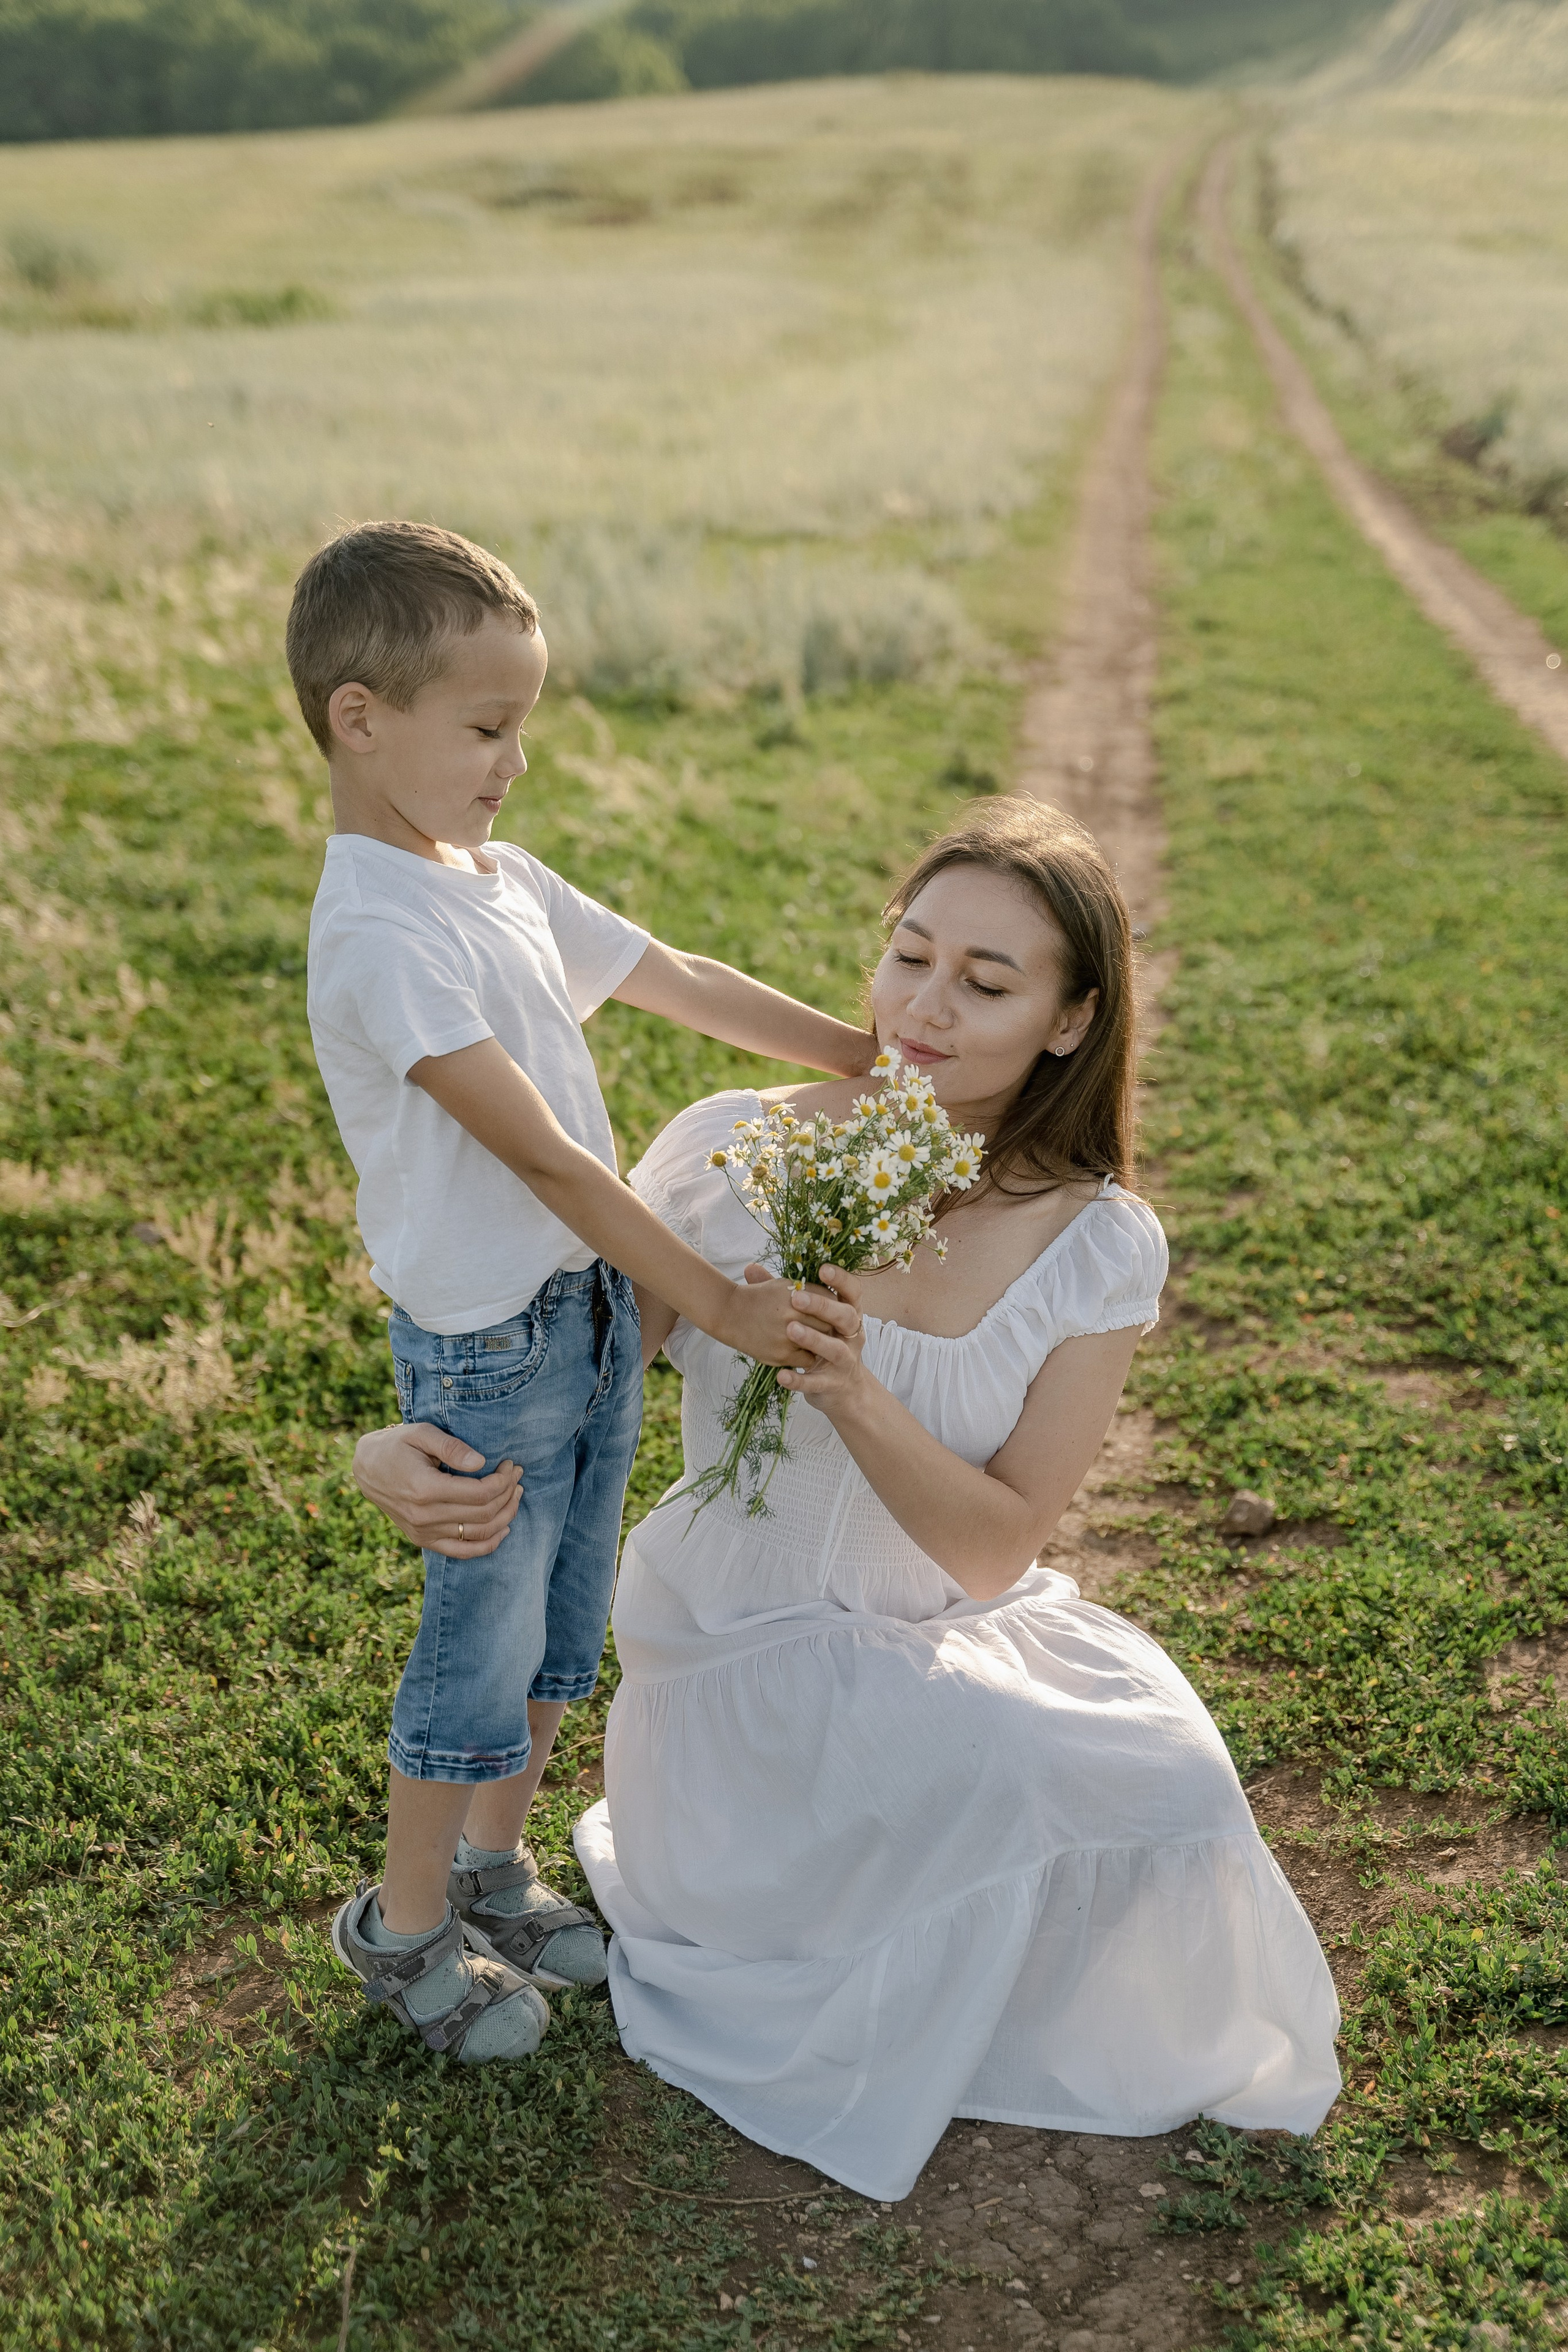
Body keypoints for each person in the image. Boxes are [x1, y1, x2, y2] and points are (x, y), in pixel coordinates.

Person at [578, 798, 1341, 2198]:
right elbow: (583, 1384)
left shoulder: (1093, 1241)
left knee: (1171, 1777)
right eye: (910, 956)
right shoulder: (732, 1147)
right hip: (733, 1651)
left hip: (938, 1625)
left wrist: (854, 1391)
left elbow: (996, 1552)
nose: (923, 1008)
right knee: (1006, 1769)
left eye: (985, 984)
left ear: (1069, 1021)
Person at [292, 519, 872, 2065]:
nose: (515, 762)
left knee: (561, 1625)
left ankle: (495, 1864)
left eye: (521, 726)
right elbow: (549, 1162)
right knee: (477, 1643)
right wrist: (722, 1306)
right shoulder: (377, 937)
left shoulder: (499, 881)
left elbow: (675, 975)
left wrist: (864, 1056)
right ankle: (402, 1925)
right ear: (361, 718)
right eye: (487, 729)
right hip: (491, 1352)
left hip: (596, 1316)